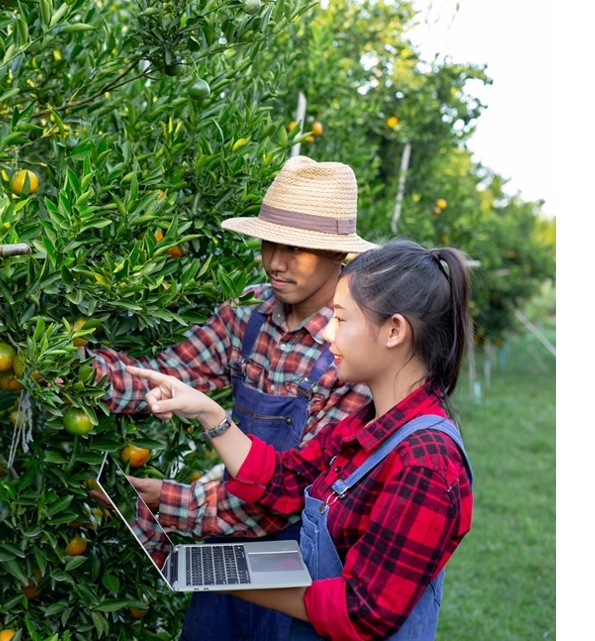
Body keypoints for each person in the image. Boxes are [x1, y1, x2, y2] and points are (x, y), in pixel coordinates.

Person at [81, 155, 375, 640]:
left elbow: (295, 490)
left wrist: (170, 501)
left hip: (300, 568)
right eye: (269, 243)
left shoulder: (351, 350)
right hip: (229, 552)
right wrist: (70, 367)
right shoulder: (249, 313)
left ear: (336, 255)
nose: (276, 261)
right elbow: (167, 376)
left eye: (296, 248)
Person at [125, 238, 476, 640]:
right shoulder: (367, 424)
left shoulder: (425, 462)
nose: (327, 333)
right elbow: (285, 480)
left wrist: (212, 575)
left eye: (341, 320)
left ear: (394, 330)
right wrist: (210, 413)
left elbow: (362, 611)